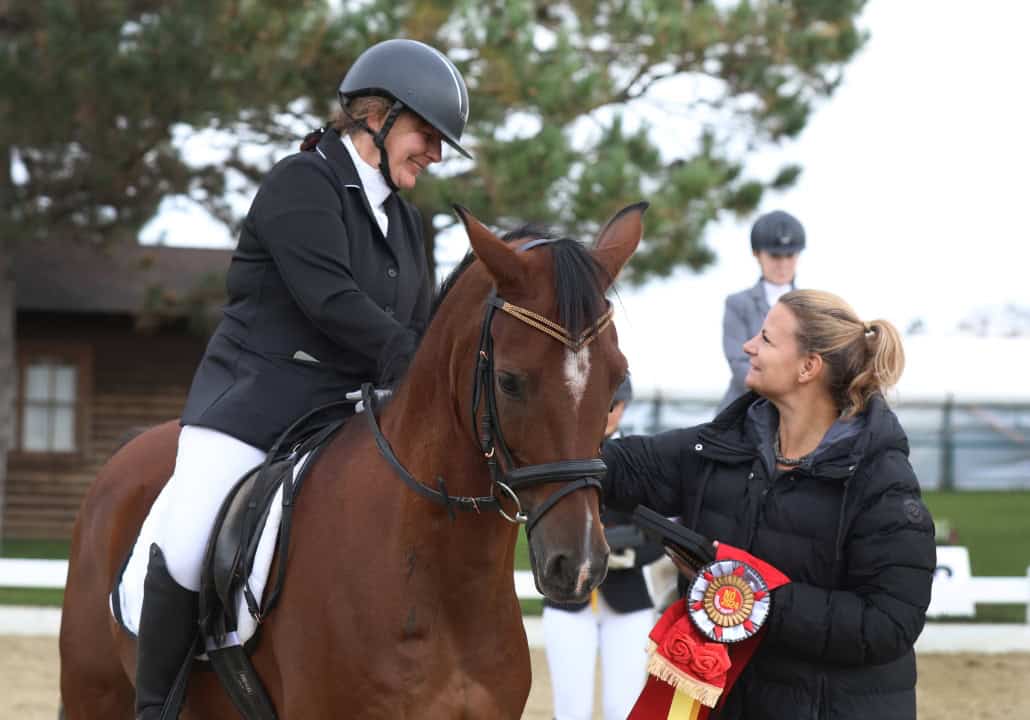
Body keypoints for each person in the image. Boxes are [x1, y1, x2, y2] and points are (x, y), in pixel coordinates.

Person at [132, 39, 472, 719]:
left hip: (351, 416)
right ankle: (155, 708)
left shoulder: (407, 221)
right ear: (378, 116)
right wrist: (420, 360)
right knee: (193, 539)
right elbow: (331, 302)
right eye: (428, 136)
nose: (435, 155)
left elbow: (422, 322)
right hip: (255, 404)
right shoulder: (302, 182)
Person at [602, 290, 936, 720]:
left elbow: (888, 625)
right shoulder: (725, 443)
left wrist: (745, 596)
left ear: (808, 367)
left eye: (766, 339)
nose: (748, 346)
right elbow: (621, 466)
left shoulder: (882, 482)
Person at [542, 377, 665, 720]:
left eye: (611, 405)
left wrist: (625, 554)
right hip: (568, 600)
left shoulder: (642, 459)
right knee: (570, 709)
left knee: (623, 708)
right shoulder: (560, 458)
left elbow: (659, 534)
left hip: (627, 601)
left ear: (622, 409)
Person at [719, 210, 806, 413]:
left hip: (796, 409)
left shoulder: (810, 307)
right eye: (775, 256)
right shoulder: (738, 303)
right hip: (747, 406)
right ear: (757, 254)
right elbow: (739, 363)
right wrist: (785, 391)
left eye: (789, 255)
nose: (783, 264)